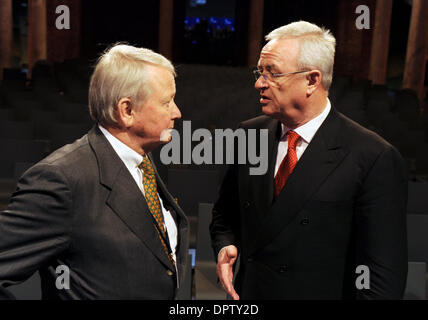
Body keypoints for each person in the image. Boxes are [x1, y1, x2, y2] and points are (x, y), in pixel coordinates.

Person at [210, 21, 408, 300]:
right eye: (259, 72)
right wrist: (225, 246)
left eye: (272, 73)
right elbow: (224, 216)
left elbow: (381, 280)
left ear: (312, 80)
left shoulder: (374, 157)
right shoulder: (249, 134)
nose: (258, 83)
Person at [0, 44, 189, 299]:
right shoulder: (61, 180)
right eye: (167, 102)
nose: (176, 112)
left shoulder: (143, 161)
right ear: (127, 111)